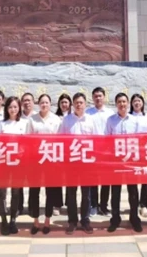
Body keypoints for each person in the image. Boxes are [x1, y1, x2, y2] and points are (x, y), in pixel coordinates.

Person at [59, 92, 98, 235]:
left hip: (87, 163)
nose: (78, 105)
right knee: (71, 193)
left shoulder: (91, 120)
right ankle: (72, 221)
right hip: (71, 163)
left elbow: (96, 140)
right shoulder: (67, 120)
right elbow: (60, 140)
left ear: (85, 104)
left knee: (86, 194)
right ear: (72, 104)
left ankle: (85, 220)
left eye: (81, 102)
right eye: (76, 102)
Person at [107, 93, 142, 233]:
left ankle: (134, 218)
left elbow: (139, 140)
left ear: (128, 104)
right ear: (116, 104)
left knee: (133, 191)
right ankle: (115, 219)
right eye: (119, 102)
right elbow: (106, 140)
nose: (122, 104)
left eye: (124, 101)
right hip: (115, 162)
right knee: (115, 192)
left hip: (131, 161)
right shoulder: (110, 120)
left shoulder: (135, 120)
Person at [28, 94, 62, 234]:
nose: (44, 105)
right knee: (34, 192)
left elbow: (60, 140)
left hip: (51, 160)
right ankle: (36, 221)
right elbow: (28, 140)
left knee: (50, 192)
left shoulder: (56, 119)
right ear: (38, 104)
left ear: (50, 104)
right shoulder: (32, 119)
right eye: (42, 102)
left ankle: (47, 220)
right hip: (36, 161)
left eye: (46, 102)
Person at [0, 96, 30, 235]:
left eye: (15, 107)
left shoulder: (24, 123)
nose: (13, 109)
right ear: (6, 109)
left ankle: (13, 220)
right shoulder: (1, 124)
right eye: (10, 107)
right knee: (2, 192)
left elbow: (28, 143)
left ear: (19, 108)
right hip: (3, 162)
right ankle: (3, 219)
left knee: (16, 192)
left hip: (18, 163)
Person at [86, 87, 115, 216]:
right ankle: (93, 205)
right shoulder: (88, 113)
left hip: (106, 150)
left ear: (104, 97)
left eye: (100, 96)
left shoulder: (110, 113)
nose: (98, 98)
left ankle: (104, 206)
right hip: (92, 149)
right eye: (96, 96)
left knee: (106, 180)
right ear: (92, 98)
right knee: (92, 179)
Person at [131, 93, 147, 219]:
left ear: (143, 103)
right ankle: (134, 205)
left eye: (139, 101)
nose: (137, 103)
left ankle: (143, 205)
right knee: (132, 180)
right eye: (134, 101)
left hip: (145, 151)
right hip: (131, 151)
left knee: (146, 179)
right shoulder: (128, 117)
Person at [54, 93, 73, 214]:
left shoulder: (73, 117)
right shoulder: (54, 117)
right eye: (62, 102)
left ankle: (70, 203)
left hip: (71, 151)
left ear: (70, 104)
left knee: (70, 179)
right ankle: (57, 204)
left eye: (66, 102)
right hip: (57, 151)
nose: (64, 105)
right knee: (57, 179)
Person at [18, 92, 37, 215]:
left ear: (33, 102)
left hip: (33, 155)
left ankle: (32, 207)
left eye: (29, 100)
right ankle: (18, 206)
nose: (27, 103)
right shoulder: (17, 117)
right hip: (19, 155)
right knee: (18, 182)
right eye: (24, 100)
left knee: (33, 182)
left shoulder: (37, 117)